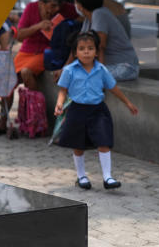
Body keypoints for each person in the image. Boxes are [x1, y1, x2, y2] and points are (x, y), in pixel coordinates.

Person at [54, 30, 139, 190]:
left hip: (98, 110)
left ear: (96, 51)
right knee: (78, 145)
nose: (86, 51)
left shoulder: (101, 70)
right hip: (77, 110)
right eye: (82, 48)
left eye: (90, 48)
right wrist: (59, 104)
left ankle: (108, 177)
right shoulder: (69, 70)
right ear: (75, 52)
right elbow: (63, 90)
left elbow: (113, 88)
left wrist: (127, 103)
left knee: (104, 141)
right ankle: (81, 176)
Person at [14, 0, 79, 89]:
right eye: (53, 5)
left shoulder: (67, 9)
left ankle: (36, 104)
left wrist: (67, 25)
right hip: (26, 51)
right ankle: (5, 106)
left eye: (60, 5)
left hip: (48, 53)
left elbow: (83, 18)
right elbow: (19, 36)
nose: (57, 9)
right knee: (7, 80)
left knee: (26, 72)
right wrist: (38, 26)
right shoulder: (31, 8)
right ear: (42, 2)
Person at [72, 0, 139, 81]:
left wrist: (99, 74)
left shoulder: (100, 14)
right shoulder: (87, 19)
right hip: (112, 67)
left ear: (80, 5)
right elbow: (77, 46)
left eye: (75, 1)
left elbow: (100, 46)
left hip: (125, 67)